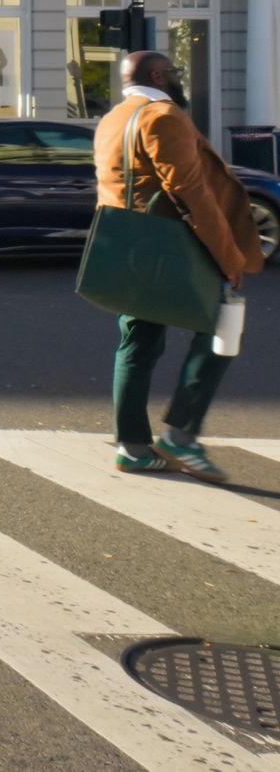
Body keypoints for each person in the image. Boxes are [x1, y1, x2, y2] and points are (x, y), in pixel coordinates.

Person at [97, 50, 265, 481]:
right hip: (172, 250)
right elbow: (191, 195)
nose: (178, 78)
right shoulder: (163, 117)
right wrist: (228, 257)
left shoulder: (114, 117)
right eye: (174, 71)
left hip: (129, 245)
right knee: (216, 332)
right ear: (158, 74)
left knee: (136, 343)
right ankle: (181, 436)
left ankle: (133, 446)